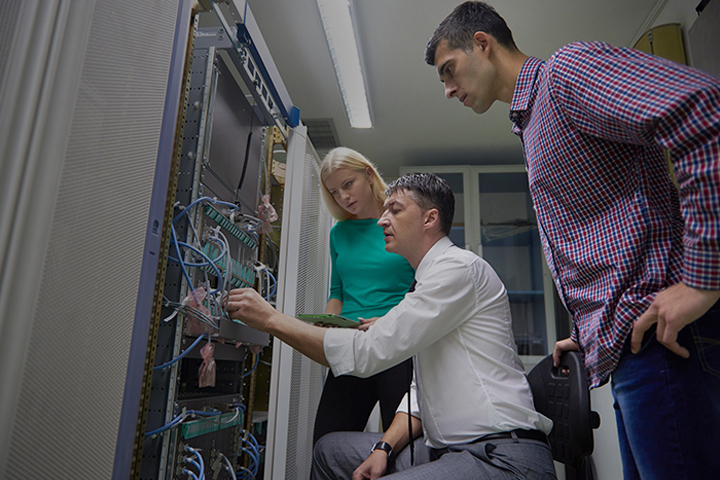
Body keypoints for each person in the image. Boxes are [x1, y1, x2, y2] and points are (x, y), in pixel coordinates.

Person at [425, 2, 720, 479]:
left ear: (482, 43)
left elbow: (704, 109)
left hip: (665, 340)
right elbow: (610, 230)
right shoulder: (532, 120)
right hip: (630, 344)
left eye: (449, 71)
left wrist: (704, 279)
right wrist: (587, 331)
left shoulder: (565, 74)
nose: (448, 90)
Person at [226, 173, 554, 480]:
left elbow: (368, 351)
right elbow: (419, 394)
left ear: (430, 218)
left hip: (501, 457)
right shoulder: (425, 283)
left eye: (395, 210)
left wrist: (270, 318)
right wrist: (383, 448)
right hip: (449, 450)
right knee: (330, 449)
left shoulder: (456, 269)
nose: (383, 219)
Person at [312, 147, 414, 444]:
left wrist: (388, 320)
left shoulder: (401, 221)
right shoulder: (339, 233)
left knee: (401, 449)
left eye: (347, 185)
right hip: (351, 346)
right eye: (334, 192)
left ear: (368, 175)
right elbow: (338, 291)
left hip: (397, 345)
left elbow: (423, 288)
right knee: (326, 442)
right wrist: (329, 322)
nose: (343, 197)